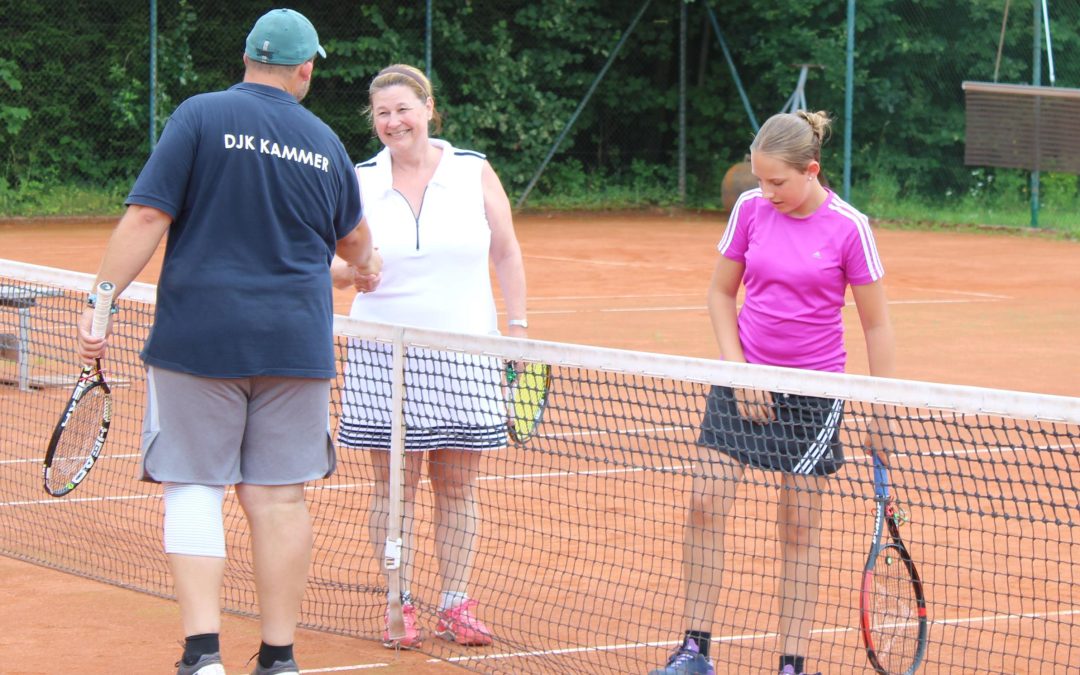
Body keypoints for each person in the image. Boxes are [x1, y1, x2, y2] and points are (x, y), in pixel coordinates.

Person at [75, 9, 381, 675]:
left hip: (198, 339)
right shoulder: (325, 142)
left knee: (192, 485)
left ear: (246, 58)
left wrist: (101, 301)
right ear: (305, 70)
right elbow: (355, 244)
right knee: (278, 496)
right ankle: (279, 657)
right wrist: (367, 266)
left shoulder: (199, 115)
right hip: (295, 345)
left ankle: (203, 655)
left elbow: (149, 214)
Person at [651, 110, 896, 675]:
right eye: (760, 180)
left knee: (798, 525)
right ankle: (694, 650)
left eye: (777, 182)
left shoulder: (848, 227)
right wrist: (741, 374)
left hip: (812, 393)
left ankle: (791, 663)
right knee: (705, 504)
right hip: (742, 377)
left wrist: (880, 414)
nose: (767, 192)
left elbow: (877, 326)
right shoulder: (750, 210)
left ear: (811, 170)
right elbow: (719, 295)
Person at [330, 63, 528, 651]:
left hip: (464, 349)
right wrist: (354, 274)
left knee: (457, 486)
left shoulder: (472, 171)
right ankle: (399, 601)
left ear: (428, 109)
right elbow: (332, 267)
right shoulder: (359, 179)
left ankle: (456, 602)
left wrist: (516, 329)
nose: (394, 122)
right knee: (395, 487)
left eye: (403, 110)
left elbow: (508, 252)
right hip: (382, 353)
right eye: (382, 114)